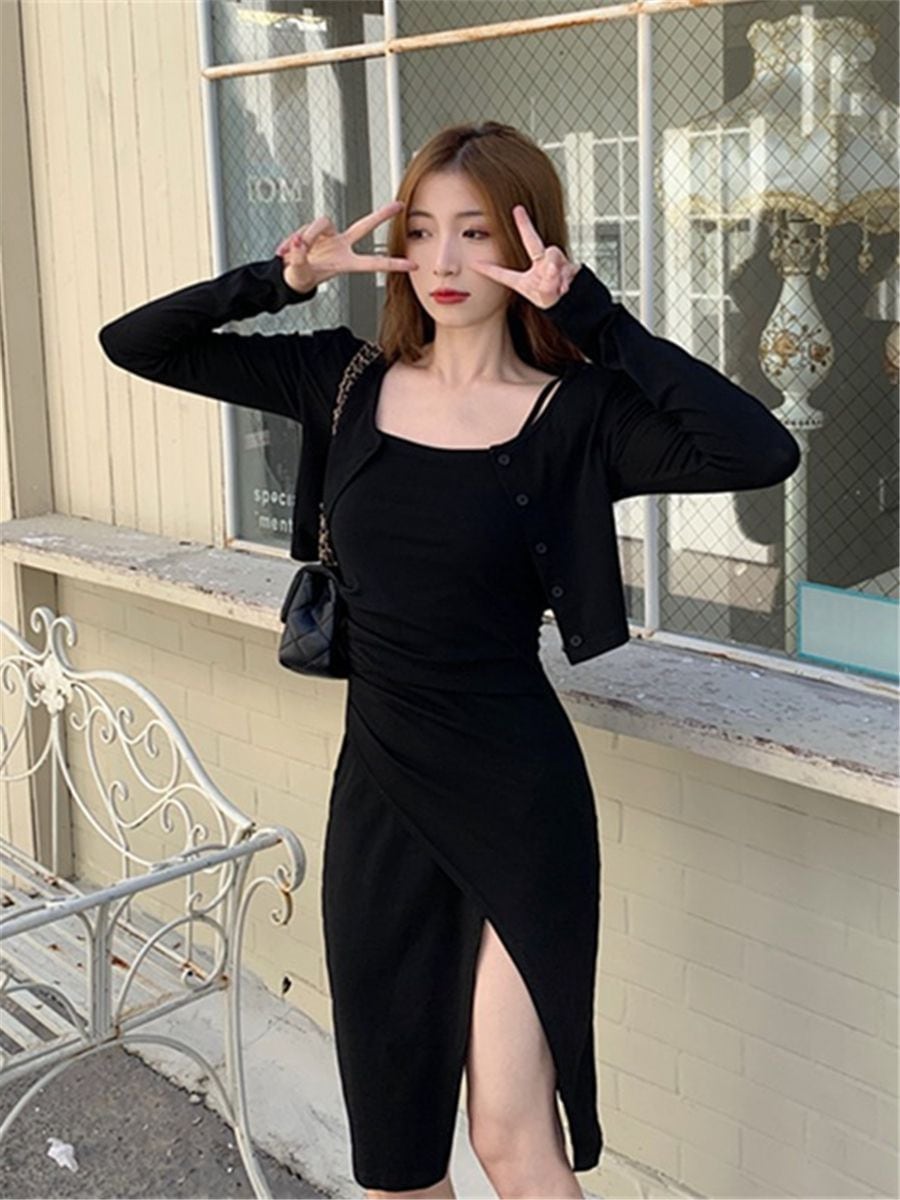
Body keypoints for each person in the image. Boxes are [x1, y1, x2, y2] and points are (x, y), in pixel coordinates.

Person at [98, 120, 801, 1200]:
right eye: (422, 231)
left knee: (514, 1137)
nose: (443, 259)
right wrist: (282, 280)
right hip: (381, 802)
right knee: (398, 1166)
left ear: (528, 245)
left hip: (520, 802)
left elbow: (758, 448)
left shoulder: (577, 415)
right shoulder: (343, 381)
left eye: (475, 232)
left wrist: (594, 315)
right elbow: (136, 343)